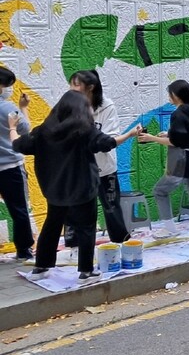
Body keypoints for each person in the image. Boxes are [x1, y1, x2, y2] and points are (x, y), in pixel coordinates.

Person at [13, 91, 142, 284]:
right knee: (86, 229)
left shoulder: (44, 131)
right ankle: (86, 272)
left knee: (51, 226)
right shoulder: (85, 130)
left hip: (55, 191)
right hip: (82, 189)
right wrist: (129, 134)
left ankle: (41, 267)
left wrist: (12, 127)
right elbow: (107, 143)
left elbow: (19, 145)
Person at [136, 80, 189, 245]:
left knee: (159, 190)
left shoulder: (177, 113)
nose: (168, 97)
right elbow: (188, 135)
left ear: (176, 96)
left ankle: (170, 228)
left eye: (170, 93)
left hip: (182, 161)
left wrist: (152, 138)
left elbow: (175, 142)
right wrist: (169, 133)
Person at [69, 70, 130, 243]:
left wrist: (89, 141)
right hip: (80, 168)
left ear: (90, 87)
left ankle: (120, 241)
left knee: (111, 206)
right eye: (71, 84)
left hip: (105, 167)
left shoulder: (107, 106)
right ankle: (74, 245)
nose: (71, 89)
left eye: (76, 85)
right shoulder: (71, 105)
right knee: (75, 208)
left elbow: (109, 138)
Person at [0, 67, 34, 260]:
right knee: (19, 208)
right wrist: (24, 108)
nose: (10, 89)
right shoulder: (8, 109)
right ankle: (24, 249)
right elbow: (25, 130)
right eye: (8, 85)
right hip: (10, 167)